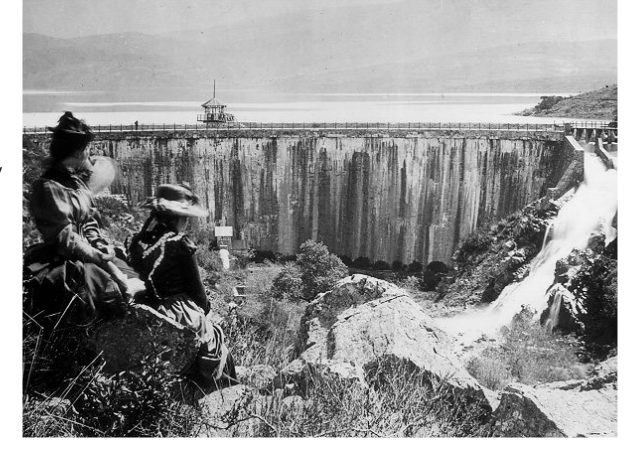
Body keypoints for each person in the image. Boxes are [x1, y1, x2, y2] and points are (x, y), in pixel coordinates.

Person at [26, 112, 143, 325]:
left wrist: (101, 245)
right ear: (80, 151)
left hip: (88, 252)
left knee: (134, 277)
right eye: (88, 148)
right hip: (63, 260)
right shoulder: (48, 187)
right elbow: (67, 240)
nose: (90, 153)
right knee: (112, 288)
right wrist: (104, 262)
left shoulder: (76, 183)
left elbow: (89, 223)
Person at [128, 182, 235, 387]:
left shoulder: (139, 244)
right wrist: (206, 311)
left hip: (148, 309)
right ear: (177, 217)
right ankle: (219, 394)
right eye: (185, 217)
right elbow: (198, 293)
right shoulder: (180, 243)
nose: (186, 222)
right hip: (178, 312)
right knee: (217, 343)